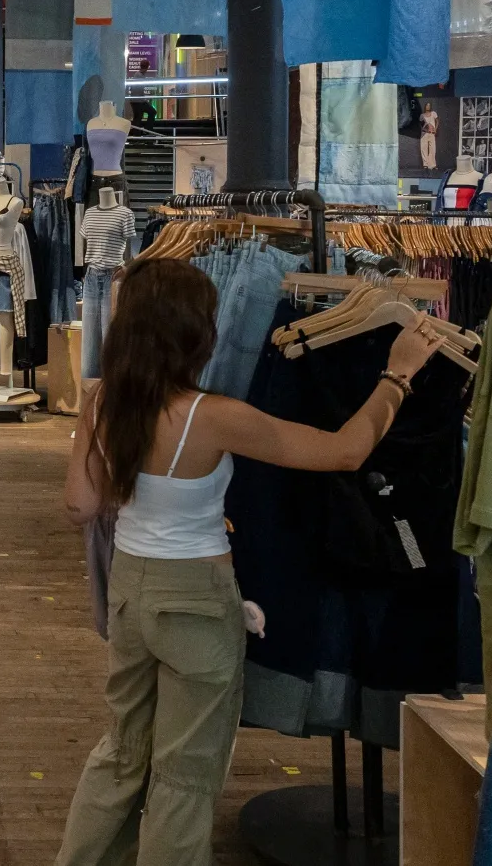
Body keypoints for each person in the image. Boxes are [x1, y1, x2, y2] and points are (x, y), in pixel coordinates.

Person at [55, 259, 441, 866]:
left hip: (131, 587)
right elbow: (343, 453)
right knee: (185, 771)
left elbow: (81, 506)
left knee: (122, 751)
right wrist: (397, 377)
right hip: (198, 601)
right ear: (194, 334)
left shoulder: (102, 400)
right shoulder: (214, 417)